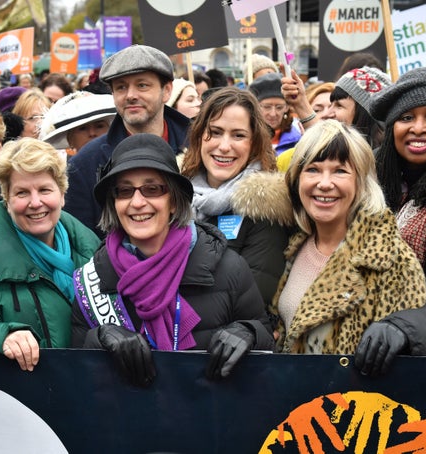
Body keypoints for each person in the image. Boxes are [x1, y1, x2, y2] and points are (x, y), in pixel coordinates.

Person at [71, 134, 274, 387]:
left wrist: (248, 333)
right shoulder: (95, 278)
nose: (137, 202)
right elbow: (76, 373)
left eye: (152, 189)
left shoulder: (228, 268)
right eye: (124, 191)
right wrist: (99, 338)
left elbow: (267, 342)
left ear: (174, 202)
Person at [232, 120, 426, 355]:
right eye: (313, 169)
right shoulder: (292, 243)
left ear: (361, 182)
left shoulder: (393, 262)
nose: (324, 184)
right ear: (297, 179)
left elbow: (400, 371)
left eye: (340, 171)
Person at [0, 138, 100, 372]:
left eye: (44, 190)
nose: (35, 202)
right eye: (22, 193)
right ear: (7, 201)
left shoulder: (96, 254)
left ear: (62, 194)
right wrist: (1, 336)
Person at [355, 68, 426, 375]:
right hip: (358, 362)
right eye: (406, 118)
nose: (418, 128)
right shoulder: (364, 182)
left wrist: (406, 329)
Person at [64, 44, 190, 235]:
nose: (131, 95)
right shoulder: (84, 164)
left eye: (142, 85)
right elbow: (82, 243)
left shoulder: (201, 147)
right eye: (121, 87)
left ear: (166, 91)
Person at [181, 87, 288, 305]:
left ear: (254, 143)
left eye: (238, 135)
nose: (224, 146)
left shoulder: (265, 209)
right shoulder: (175, 193)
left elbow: (252, 298)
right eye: (216, 132)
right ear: (200, 135)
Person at [275, 82, 335, 172]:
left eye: (334, 108)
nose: (326, 114)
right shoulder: (285, 160)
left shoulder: (356, 157)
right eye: (317, 110)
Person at [39, 91, 116, 154]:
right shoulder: (65, 172)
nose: (92, 133)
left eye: (99, 126)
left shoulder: (124, 164)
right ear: (70, 139)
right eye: (83, 128)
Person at [249, 73, 302, 155]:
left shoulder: (299, 140)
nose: (273, 114)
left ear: (287, 107)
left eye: (279, 107)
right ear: (256, 107)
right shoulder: (247, 139)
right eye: (267, 107)